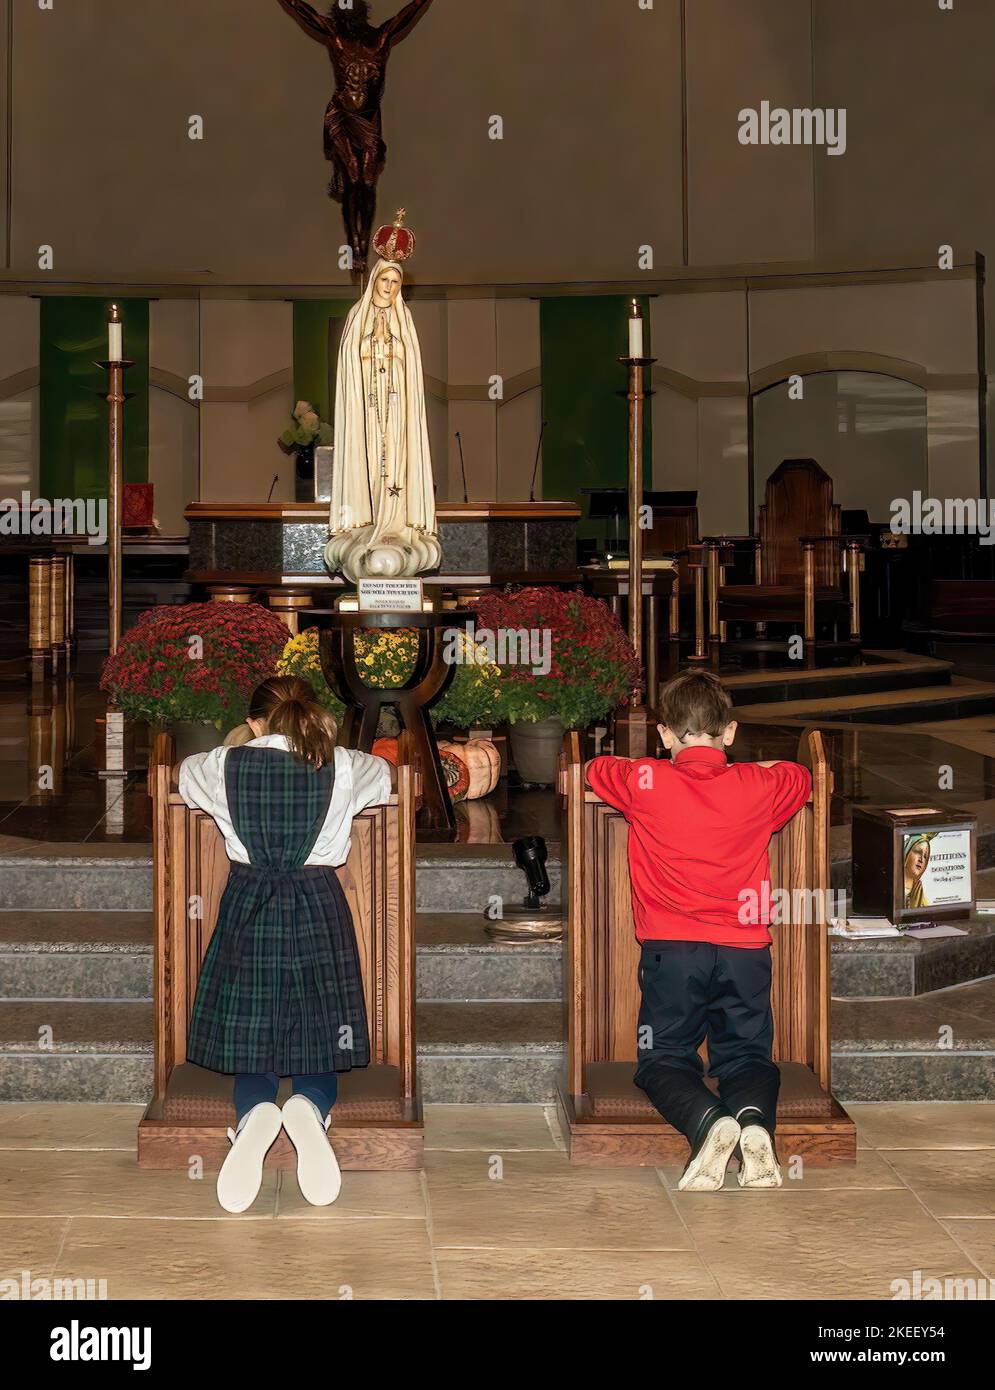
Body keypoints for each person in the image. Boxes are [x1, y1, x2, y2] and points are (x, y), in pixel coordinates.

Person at [586, 669, 811, 1193]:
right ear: (729, 732)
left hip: (673, 951)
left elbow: (597, 768)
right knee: (748, 1056)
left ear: (664, 733)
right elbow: (800, 776)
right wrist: (759, 766)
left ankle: (709, 1122)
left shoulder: (647, 781)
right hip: (747, 951)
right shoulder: (757, 784)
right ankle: (755, 1123)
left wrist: (650, 760)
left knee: (663, 1058)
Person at [177, 675, 393, 1213]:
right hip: (317, 901)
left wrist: (237, 745)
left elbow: (184, 778)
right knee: (320, 1031)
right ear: (312, 714)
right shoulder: (343, 765)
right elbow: (385, 777)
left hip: (249, 901)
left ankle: (254, 1115)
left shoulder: (223, 766)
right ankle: (310, 1105)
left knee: (254, 1034)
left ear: (254, 722)